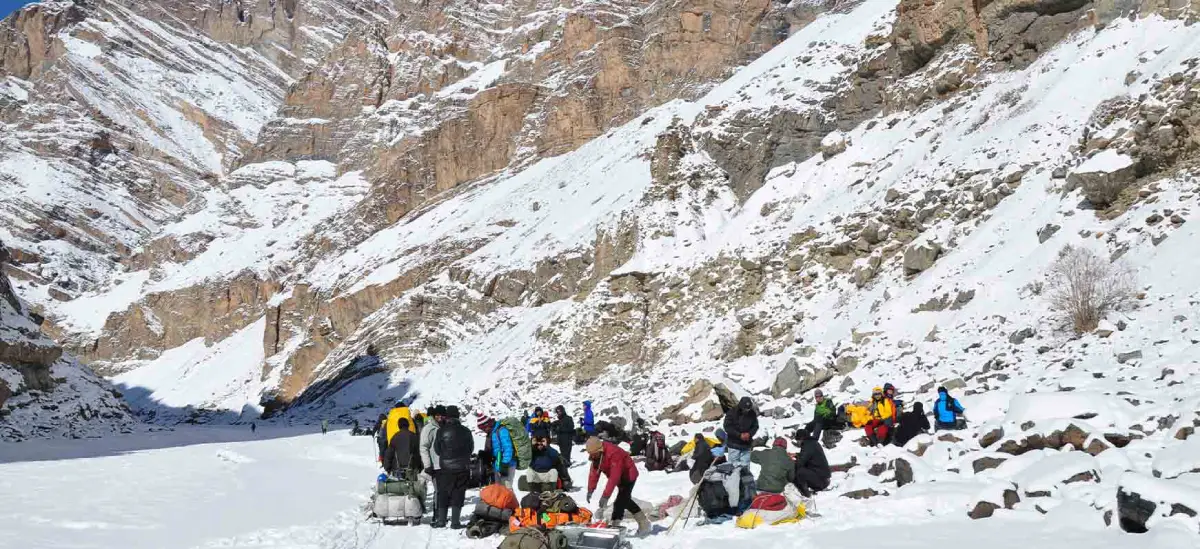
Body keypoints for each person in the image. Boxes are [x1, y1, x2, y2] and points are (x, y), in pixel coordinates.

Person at [585, 437, 651, 536]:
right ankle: (643, 522)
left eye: (594, 454)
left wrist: (605, 496)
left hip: (628, 475)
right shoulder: (596, 456)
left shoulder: (613, 453)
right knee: (625, 500)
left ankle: (616, 526)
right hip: (619, 478)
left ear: (600, 450)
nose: (592, 456)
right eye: (591, 454)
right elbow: (594, 472)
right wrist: (590, 489)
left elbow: (614, 476)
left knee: (620, 501)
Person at [433, 406, 474, 529]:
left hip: (445, 467)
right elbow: (470, 449)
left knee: (443, 492)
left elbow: (437, 449)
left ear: (447, 416)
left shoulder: (441, 431)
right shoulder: (466, 431)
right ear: (458, 416)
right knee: (458, 492)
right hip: (462, 467)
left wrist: (446, 456)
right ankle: (455, 522)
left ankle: (441, 521)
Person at [420, 406, 444, 517]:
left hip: (445, 464)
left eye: (442, 415)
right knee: (438, 491)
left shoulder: (444, 427)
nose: (440, 417)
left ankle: (441, 514)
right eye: (437, 415)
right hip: (435, 465)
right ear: (434, 416)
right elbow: (424, 447)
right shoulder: (429, 428)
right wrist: (427, 465)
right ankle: (437, 515)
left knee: (443, 491)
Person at [722, 397, 759, 467]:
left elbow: (755, 426)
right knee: (733, 467)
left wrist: (749, 434)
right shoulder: (732, 412)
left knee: (745, 468)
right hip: (733, 444)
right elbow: (727, 427)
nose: (747, 410)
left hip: (746, 444)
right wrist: (739, 435)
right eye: (745, 409)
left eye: (748, 408)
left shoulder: (752, 413)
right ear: (741, 406)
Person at [792, 430, 831, 497]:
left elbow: (800, 462)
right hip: (823, 478)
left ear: (801, 438)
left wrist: (789, 463)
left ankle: (805, 493)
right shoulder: (812, 443)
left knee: (799, 471)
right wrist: (796, 455)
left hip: (821, 481)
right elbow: (808, 456)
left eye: (798, 440)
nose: (798, 442)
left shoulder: (808, 445)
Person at [482, 415, 517, 488]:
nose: (483, 430)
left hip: (508, 465)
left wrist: (504, 464)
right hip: (498, 465)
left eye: (483, 428)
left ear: (487, 425)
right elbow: (495, 450)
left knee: (507, 490)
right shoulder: (492, 432)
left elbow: (508, 448)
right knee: (499, 490)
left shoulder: (502, 430)